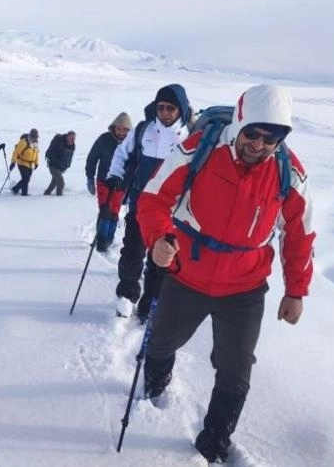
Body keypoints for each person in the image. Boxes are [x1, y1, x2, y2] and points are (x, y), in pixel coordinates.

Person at [136, 84, 316, 464]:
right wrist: (158, 237)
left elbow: (299, 236)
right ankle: (155, 382)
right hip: (188, 274)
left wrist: (296, 291)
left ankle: (215, 439)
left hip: (245, 287)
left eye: (274, 137)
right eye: (253, 132)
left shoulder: (290, 173)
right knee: (162, 342)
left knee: (235, 370)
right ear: (239, 121)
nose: (261, 144)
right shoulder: (198, 150)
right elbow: (153, 198)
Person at [105, 84, 191, 320]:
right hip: (140, 202)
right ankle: (127, 295)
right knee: (132, 250)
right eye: (160, 107)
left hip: (172, 210)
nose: (164, 112)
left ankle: (152, 301)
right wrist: (115, 175)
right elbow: (122, 154)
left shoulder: (190, 137)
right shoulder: (143, 130)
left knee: (161, 257)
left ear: (181, 109)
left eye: (170, 108)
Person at [85, 112, 133, 252]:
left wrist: (131, 187)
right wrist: (90, 176)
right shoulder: (104, 139)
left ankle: (109, 238)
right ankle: (101, 240)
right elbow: (92, 158)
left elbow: (135, 164)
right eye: (118, 128)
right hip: (104, 181)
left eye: (125, 129)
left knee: (114, 212)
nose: (121, 132)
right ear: (113, 127)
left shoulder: (132, 142)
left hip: (122, 184)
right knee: (105, 210)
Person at [43, 131, 76, 196]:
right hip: (53, 165)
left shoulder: (72, 146)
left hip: (61, 167)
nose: (72, 140)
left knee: (54, 182)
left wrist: (67, 165)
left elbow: (69, 157)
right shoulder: (60, 142)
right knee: (61, 182)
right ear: (67, 136)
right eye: (71, 138)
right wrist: (55, 163)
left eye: (74, 138)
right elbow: (51, 153)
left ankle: (47, 193)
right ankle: (59, 198)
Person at [9, 129, 39, 196]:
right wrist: (13, 162)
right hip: (22, 163)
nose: (34, 138)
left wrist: (36, 163)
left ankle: (18, 190)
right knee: (26, 178)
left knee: (26, 180)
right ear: (30, 135)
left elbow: (36, 153)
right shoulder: (24, 142)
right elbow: (16, 153)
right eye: (33, 136)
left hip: (30, 164)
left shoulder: (35, 143)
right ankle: (21, 192)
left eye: (35, 137)